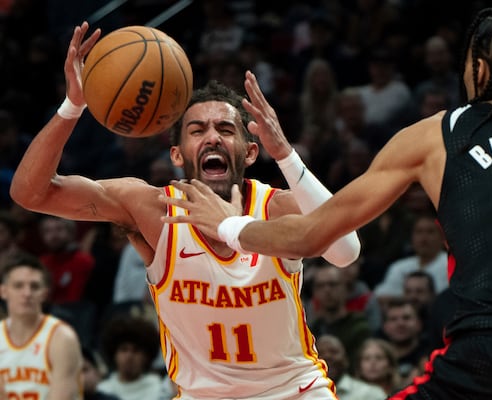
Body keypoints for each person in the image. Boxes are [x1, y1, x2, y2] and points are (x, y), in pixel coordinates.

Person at [178, 7, 492, 399]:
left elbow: (313, 235)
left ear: (479, 69)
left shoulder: (439, 135)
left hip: (489, 355)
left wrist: (228, 225)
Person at [9, 21, 360, 399]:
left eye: (226, 129)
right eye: (197, 130)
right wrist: (73, 104)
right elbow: (31, 193)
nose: (212, 136)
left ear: (251, 151)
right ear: (176, 154)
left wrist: (287, 155)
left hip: (294, 391)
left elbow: (346, 252)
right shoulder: (151, 210)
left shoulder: (278, 208)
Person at [0, 252, 83, 400]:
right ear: (3, 291)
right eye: (18, 286)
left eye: (34, 286)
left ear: (44, 294)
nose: (27, 293)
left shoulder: (62, 337)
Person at [315, 334, 387, 400]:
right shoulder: (305, 394)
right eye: (320, 353)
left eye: (334, 352)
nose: (327, 357)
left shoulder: (371, 394)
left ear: (346, 359)